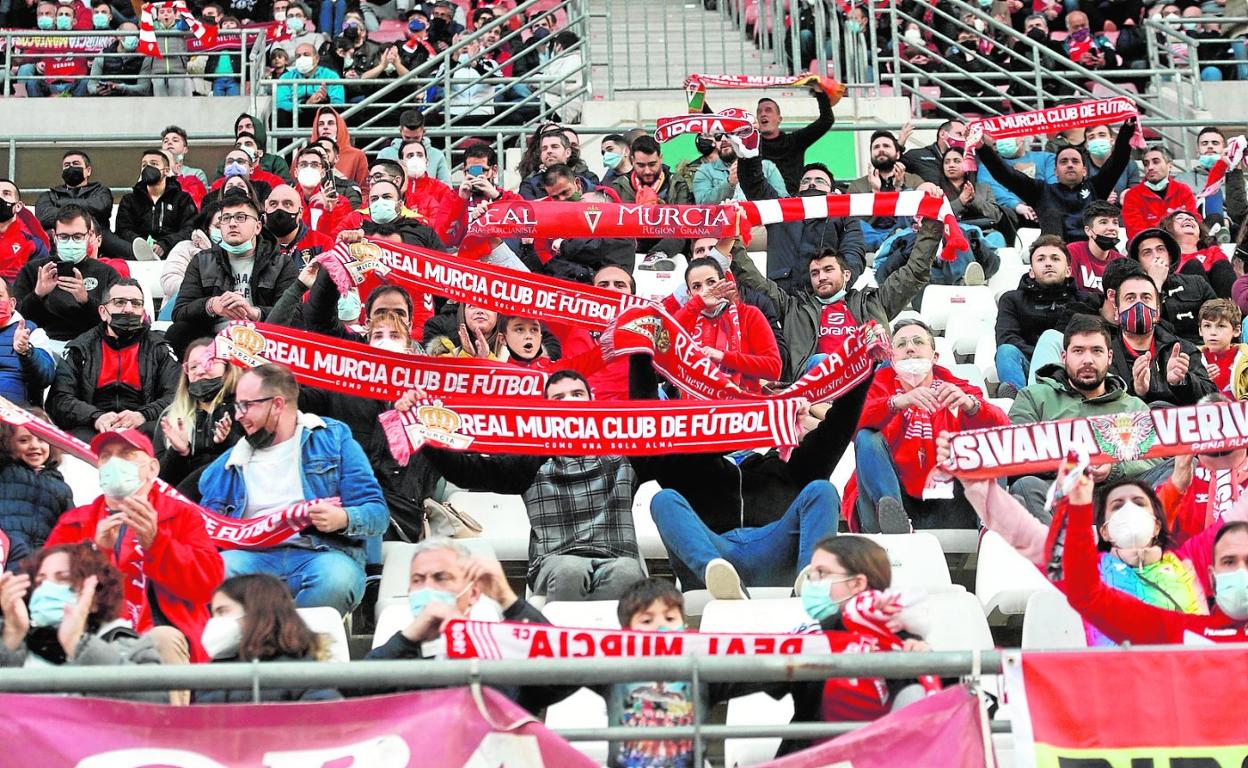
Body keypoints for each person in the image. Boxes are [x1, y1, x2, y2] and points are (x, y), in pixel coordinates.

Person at [398, 372, 646, 602]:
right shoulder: (530, 461)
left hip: (617, 558)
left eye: (577, 394)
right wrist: (424, 430)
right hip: (555, 563)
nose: (569, 402)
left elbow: (650, 416)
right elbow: (466, 472)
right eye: (559, 398)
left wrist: (640, 354)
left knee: (628, 571)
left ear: (592, 400)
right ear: (546, 410)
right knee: (570, 570)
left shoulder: (623, 455)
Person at [198, 363, 389, 615]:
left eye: (247, 405)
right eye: (237, 405)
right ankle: (273, 639)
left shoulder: (332, 438)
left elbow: (377, 512)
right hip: (252, 559)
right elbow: (203, 529)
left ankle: (286, 639)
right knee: (212, 572)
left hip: (320, 554)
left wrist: (343, 518)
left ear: (277, 404)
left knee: (337, 579)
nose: (238, 415)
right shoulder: (230, 462)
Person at [45, 429, 223, 663]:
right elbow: (47, 589)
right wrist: (95, 553)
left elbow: (207, 585)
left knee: (162, 639)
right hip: (93, 633)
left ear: (152, 469)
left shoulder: (183, 515)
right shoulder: (75, 521)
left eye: (127, 454)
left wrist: (157, 544)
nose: (114, 463)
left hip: (160, 633)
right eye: (106, 456)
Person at [731, 215, 942, 382]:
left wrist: (932, 226)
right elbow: (753, 279)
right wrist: (731, 235)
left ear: (847, 274)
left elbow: (914, 272)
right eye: (815, 273)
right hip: (819, 387)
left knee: (896, 364)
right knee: (822, 361)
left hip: (870, 381)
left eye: (828, 269)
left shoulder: (873, 302)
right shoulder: (793, 307)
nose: (821, 277)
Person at [365, 539, 574, 707]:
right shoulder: (397, 654)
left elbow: (563, 679)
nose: (428, 588)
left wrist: (508, 600)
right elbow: (348, 695)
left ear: (473, 594)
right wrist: (408, 638)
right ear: (409, 592)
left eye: (441, 578)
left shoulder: (497, 651)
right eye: (418, 580)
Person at [1055, 466, 1248, 644]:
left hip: (1188, 675)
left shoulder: (1188, 563)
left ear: (1156, 525)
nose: (1129, 511)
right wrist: (1065, 492)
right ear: (1104, 530)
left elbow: (1241, 512)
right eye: (1117, 506)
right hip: (1116, 678)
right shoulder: (1089, 572)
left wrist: (1180, 472)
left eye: (1139, 503)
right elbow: (1041, 544)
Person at [853, 319, 1008, 532]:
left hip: (951, 502)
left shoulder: (958, 389)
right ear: (892, 357)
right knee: (866, 437)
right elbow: (849, 426)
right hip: (891, 500)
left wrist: (971, 406)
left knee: (988, 435)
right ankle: (894, 522)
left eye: (918, 342)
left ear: (934, 356)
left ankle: (992, 524)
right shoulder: (875, 387)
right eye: (901, 345)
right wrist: (896, 403)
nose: (910, 348)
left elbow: (1003, 427)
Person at [1006, 314, 1162, 520]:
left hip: (1120, 500)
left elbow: (1154, 459)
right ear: (1064, 357)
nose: (1087, 360)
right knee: (1025, 486)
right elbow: (1015, 453)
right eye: (1078, 351)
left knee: (1179, 468)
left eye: (1096, 351)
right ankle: (1058, 553)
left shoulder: (1133, 406)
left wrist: (1113, 469)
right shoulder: (1033, 397)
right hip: (1060, 497)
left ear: (1110, 357)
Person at [0, 543, 166, 675]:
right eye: (40, 582)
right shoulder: (17, 643)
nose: (47, 587)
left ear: (96, 596)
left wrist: (79, 645)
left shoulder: (131, 648)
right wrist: (11, 637)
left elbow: (155, 700)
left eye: (63, 579)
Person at [47, 279, 179, 442]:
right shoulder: (79, 348)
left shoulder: (160, 348)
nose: (129, 309)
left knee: (162, 432)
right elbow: (59, 399)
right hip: (92, 425)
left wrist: (143, 415)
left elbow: (177, 395)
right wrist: (96, 417)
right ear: (103, 311)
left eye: (136, 304)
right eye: (120, 302)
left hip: (143, 425)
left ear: (143, 312)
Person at [169, 192, 298, 355]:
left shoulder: (281, 264)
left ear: (258, 227)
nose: (232, 223)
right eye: (226, 218)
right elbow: (180, 311)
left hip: (263, 342)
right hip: (214, 341)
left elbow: (296, 316)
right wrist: (211, 305)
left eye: (240, 217)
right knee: (177, 331)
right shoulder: (202, 262)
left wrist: (254, 313)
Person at [975, 118, 1138, 241]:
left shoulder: (1096, 188)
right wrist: (983, 148)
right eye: (1063, 161)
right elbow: (1006, 175)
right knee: (1052, 217)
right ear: (1056, 172)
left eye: (1075, 161)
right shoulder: (1041, 191)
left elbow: (1118, 161)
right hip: (1054, 254)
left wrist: (1127, 129)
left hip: (1089, 249)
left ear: (1084, 170)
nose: (1069, 165)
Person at [737, 145, 863, 293]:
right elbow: (753, 182)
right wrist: (749, 144)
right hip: (782, 300)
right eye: (806, 181)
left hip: (823, 298)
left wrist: (839, 285)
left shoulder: (844, 216)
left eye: (820, 181)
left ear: (833, 191)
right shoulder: (781, 209)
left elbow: (853, 252)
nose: (812, 183)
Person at [195, 574, 340, 702]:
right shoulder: (211, 675)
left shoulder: (304, 674)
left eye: (222, 611)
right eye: (213, 614)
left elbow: (323, 723)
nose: (214, 622)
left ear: (256, 613)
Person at [994, 237, 1098, 397]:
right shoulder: (1011, 299)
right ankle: (1019, 404)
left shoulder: (1085, 300)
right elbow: (1007, 337)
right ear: (1031, 271)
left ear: (1069, 270)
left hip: (1071, 364)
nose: (1048, 263)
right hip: (1028, 365)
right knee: (1006, 351)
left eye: (1055, 258)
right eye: (1041, 259)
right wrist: (1041, 355)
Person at [1110, 266, 1217, 407]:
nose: (1139, 304)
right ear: (1117, 312)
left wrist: (1182, 382)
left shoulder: (1183, 349)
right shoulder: (1105, 355)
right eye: (1130, 298)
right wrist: (1137, 391)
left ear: (1158, 311)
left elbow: (1211, 400)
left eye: (1146, 298)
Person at [14, 205, 120, 345]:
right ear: (54, 235)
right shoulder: (33, 270)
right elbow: (17, 319)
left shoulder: (106, 273)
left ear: (89, 235)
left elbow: (115, 320)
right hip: (41, 344)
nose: (70, 242)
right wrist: (37, 295)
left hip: (92, 345)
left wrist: (86, 301)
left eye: (77, 237)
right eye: (64, 237)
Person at [674, 257, 781, 393]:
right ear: (689, 293)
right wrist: (696, 304)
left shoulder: (749, 314)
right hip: (696, 405)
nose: (705, 291)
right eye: (697, 286)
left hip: (742, 405)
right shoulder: (686, 317)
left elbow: (773, 368)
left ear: (724, 283)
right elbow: (661, 348)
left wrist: (723, 357)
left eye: (711, 282)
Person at [156, 337, 242, 494]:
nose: (200, 371)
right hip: (183, 506)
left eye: (210, 362)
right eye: (193, 366)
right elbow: (159, 483)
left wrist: (226, 441)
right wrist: (178, 452)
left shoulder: (243, 408)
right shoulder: (171, 416)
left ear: (227, 367)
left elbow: (253, 464)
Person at [0, 413, 72, 570]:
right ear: (7, 443)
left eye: (42, 439)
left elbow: (71, 530)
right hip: (6, 556)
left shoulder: (61, 487)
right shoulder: (4, 470)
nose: (34, 446)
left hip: (41, 565)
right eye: (23, 440)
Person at [1125, 228, 1217, 345]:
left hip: (1202, 347)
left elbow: (1219, 316)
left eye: (1160, 249)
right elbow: (1141, 328)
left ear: (1169, 255)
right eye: (1147, 253)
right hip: (1160, 352)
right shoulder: (1131, 291)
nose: (1156, 256)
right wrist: (1155, 285)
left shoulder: (1196, 282)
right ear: (1138, 262)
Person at [846, 131, 927, 248]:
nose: (881, 150)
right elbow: (855, 222)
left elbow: (920, 214)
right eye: (876, 147)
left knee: (909, 194)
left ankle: (889, 241)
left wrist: (899, 189)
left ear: (898, 154)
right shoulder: (857, 185)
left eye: (886, 146)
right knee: (853, 223)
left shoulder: (913, 180)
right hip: (872, 233)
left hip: (903, 229)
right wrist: (875, 193)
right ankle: (890, 240)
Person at [115, 149, 198, 262]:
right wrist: (142, 243)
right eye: (144, 165)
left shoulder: (182, 199)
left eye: (154, 164)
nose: (147, 168)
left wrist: (164, 244)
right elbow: (123, 229)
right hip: (136, 252)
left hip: (173, 253)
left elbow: (189, 229)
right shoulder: (129, 199)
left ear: (166, 171)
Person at [755, 80, 836, 192]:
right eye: (759, 112)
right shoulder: (751, 146)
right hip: (762, 199)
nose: (763, 114)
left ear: (779, 119)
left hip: (792, 200)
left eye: (768, 110)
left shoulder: (794, 141)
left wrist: (817, 90)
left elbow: (826, 120)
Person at [974, 135, 1055, 231]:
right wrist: (1016, 205)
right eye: (999, 136)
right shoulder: (986, 166)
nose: (1003, 139)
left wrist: (1042, 205)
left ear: (1023, 136)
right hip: (1012, 219)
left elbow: (1053, 185)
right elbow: (992, 189)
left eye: (1008, 135)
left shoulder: (1047, 158)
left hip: (1047, 213)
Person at [1120, 146, 1198, 240]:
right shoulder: (1132, 195)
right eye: (1146, 164)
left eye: (1156, 162)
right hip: (1148, 247)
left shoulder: (1183, 190)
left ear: (1170, 166)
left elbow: (1195, 222)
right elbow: (1135, 232)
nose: (1150, 167)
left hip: (1183, 245)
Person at [34, 151, 114, 242]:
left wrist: (60, 204)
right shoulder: (49, 195)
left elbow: (101, 208)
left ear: (88, 171)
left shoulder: (100, 191)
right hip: (57, 240)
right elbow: (44, 217)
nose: (71, 167)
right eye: (67, 165)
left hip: (99, 239)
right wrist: (85, 211)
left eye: (76, 164)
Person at [1176, 127, 1248, 225]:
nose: (1210, 146)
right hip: (1197, 227)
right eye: (1204, 143)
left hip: (1234, 229)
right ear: (1197, 151)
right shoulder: (1182, 180)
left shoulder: (1239, 182)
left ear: (1224, 149)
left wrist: (1226, 219)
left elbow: (1243, 213)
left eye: (1215, 143)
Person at [0, 279, 55, 407]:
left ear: (12, 303)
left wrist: (26, 351)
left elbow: (46, 376)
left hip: (15, 413)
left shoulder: (31, 332)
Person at [398, 139, 464, 242]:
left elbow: (446, 225)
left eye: (419, 155)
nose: (415, 159)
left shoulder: (442, 189)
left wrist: (416, 219)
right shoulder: (394, 190)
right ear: (401, 163)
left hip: (431, 245)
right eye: (410, 156)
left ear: (427, 161)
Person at [1161, 209, 1236, 299]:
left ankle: (1230, 310)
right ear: (1169, 228)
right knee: (1193, 266)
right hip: (1186, 303)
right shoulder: (1167, 257)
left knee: (1222, 265)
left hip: (1220, 300)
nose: (1188, 220)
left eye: (1192, 219)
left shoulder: (1213, 251)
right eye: (1180, 218)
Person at [274, 47, 345, 132]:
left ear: (317, 58)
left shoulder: (331, 75)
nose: (302, 58)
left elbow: (338, 103)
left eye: (306, 55)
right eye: (298, 56)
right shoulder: (286, 77)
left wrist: (326, 100)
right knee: (279, 115)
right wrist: (305, 105)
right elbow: (281, 103)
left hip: (322, 114)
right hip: (296, 116)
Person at [262, 184, 333, 268]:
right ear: (266, 210)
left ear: (300, 212)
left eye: (287, 204)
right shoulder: (256, 242)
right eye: (273, 204)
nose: (279, 209)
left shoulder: (321, 243)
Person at [518, 129, 598, 200]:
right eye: (544, 148)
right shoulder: (529, 185)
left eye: (554, 147)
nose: (549, 151)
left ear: (568, 152)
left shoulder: (588, 180)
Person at [377, 109, 451, 184]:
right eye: (407, 137)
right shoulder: (385, 154)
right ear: (400, 131)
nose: (411, 141)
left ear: (423, 132)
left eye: (416, 138)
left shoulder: (437, 155)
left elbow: (447, 187)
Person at [1066, 201, 1124, 294]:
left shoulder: (1121, 262)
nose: (1112, 228)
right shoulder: (1073, 251)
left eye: (1115, 222)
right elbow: (1068, 291)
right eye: (1104, 222)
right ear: (1088, 231)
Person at [1198, 299, 1248, 400]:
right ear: (1200, 330)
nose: (1213, 332)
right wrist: (1199, 381)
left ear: (1236, 331)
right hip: (1203, 414)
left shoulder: (1245, 359)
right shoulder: (1191, 360)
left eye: (1221, 326)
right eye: (1207, 326)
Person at [86, 22, 152, 97]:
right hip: (105, 100)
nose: (133, 38)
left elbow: (144, 88)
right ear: (118, 36)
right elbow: (91, 85)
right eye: (129, 34)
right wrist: (98, 90)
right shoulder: (103, 56)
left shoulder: (143, 57)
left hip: (133, 102)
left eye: (136, 35)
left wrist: (120, 88)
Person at [901, 119, 965, 186]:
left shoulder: (968, 159)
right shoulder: (916, 155)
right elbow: (893, 168)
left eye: (965, 136)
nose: (963, 139)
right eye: (959, 134)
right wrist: (899, 146)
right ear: (943, 134)